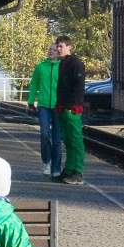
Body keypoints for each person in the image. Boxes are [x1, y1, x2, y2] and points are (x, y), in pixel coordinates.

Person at [27, 43, 65, 177]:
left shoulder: (62, 67)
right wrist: (31, 100)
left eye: (54, 50)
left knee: (57, 138)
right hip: (43, 105)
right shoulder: (41, 66)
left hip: (58, 106)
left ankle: (56, 168)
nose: (51, 51)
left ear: (58, 53)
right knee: (44, 134)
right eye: (50, 49)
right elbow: (34, 84)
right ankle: (46, 162)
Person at [52, 38, 86, 184]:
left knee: (75, 140)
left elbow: (78, 86)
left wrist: (72, 106)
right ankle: (69, 169)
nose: (58, 49)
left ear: (69, 47)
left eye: (61, 46)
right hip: (64, 107)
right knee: (68, 140)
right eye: (57, 46)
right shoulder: (63, 63)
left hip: (72, 109)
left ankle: (78, 172)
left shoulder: (76, 63)